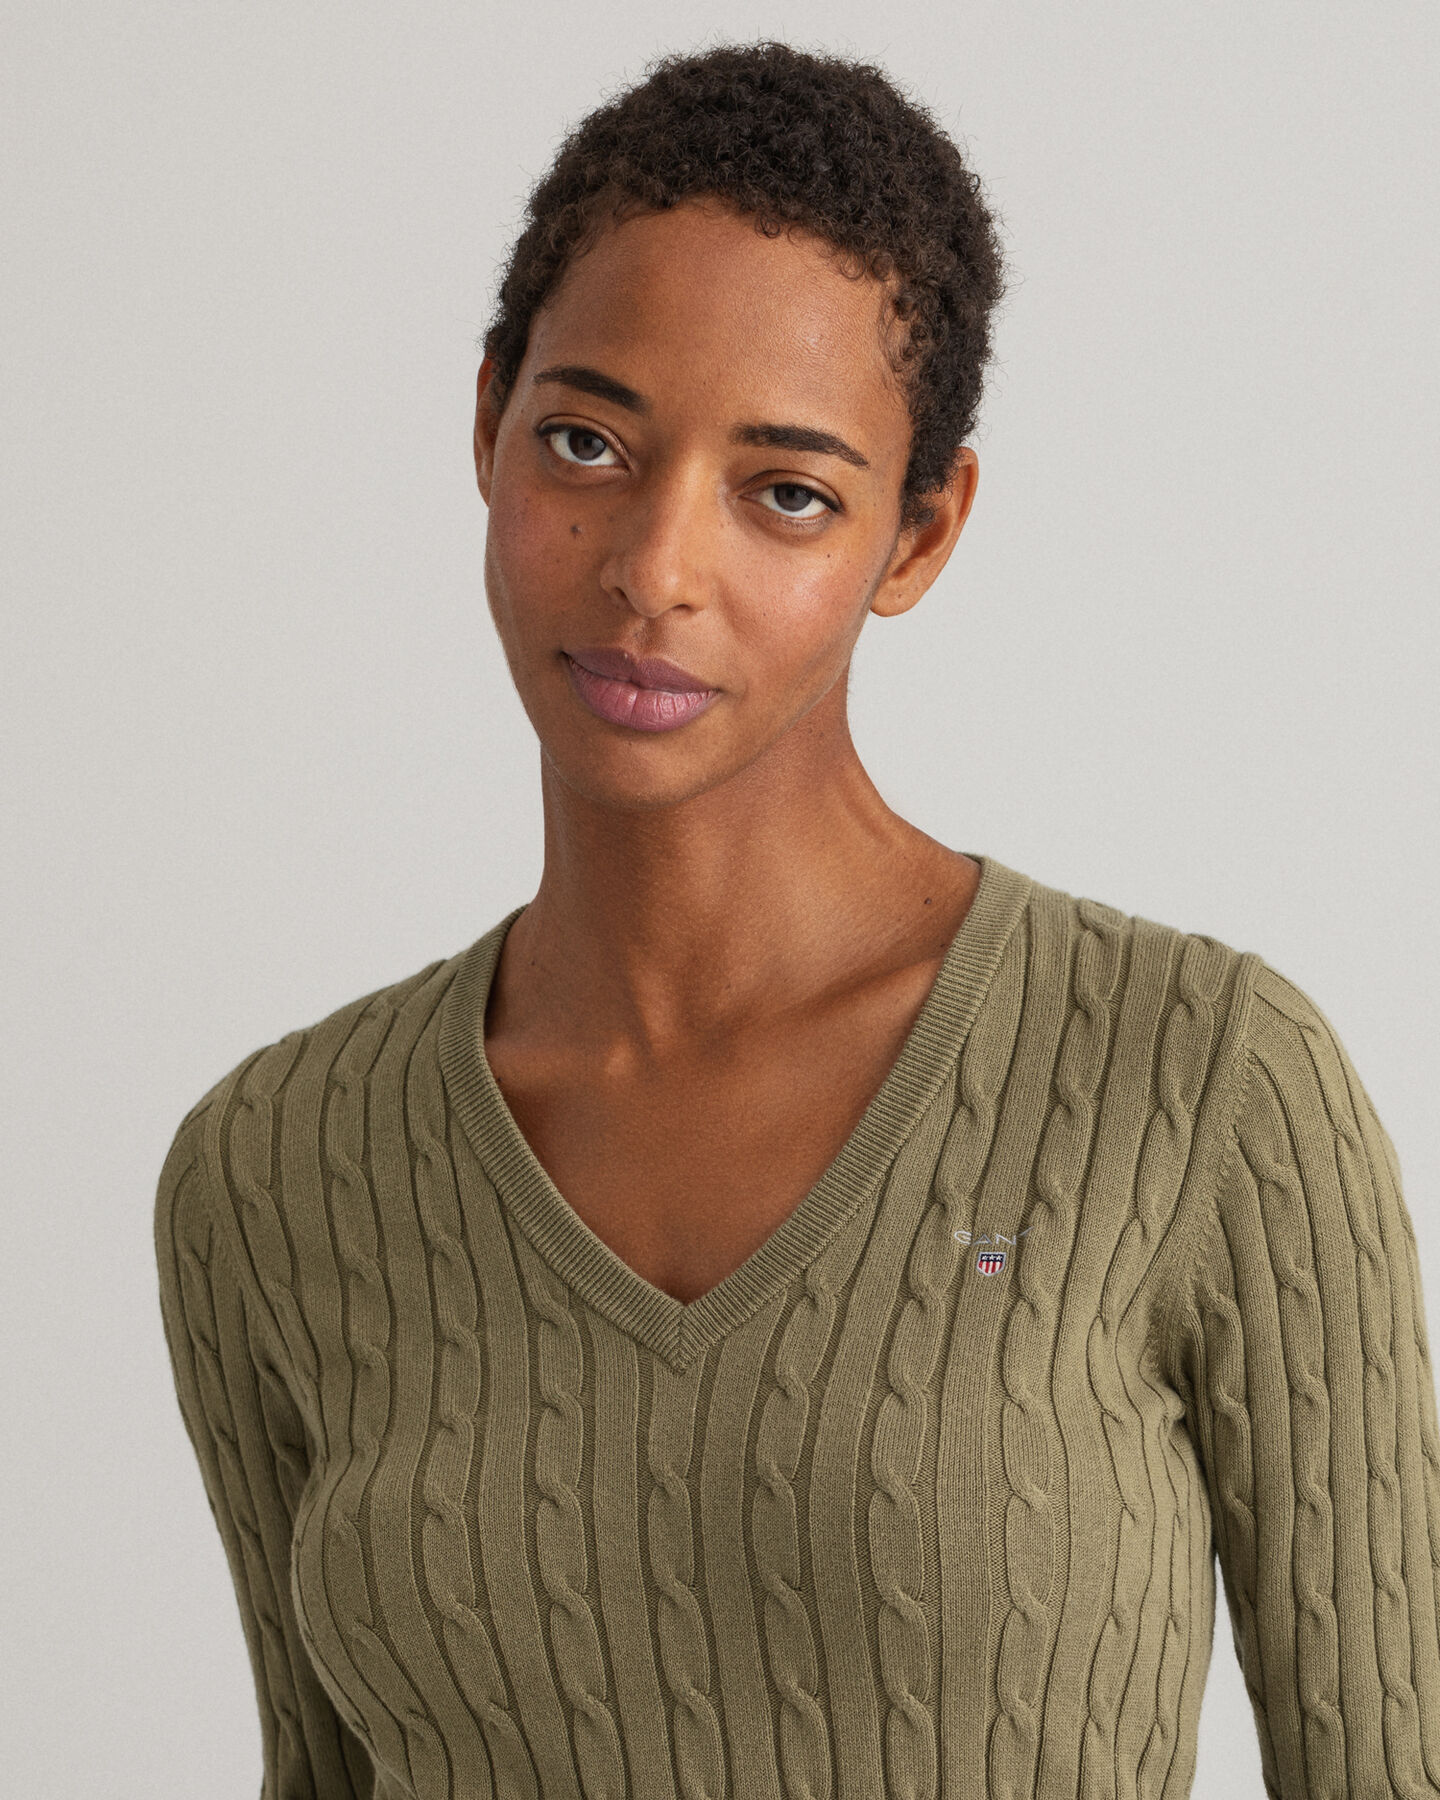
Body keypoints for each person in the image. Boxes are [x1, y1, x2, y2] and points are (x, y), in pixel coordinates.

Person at [153, 40, 1440, 1800]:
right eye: (587, 441)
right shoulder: (274, 1170)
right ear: (487, 423)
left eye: (787, 493)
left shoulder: (1202, 1081)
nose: (654, 568)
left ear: (919, 534)